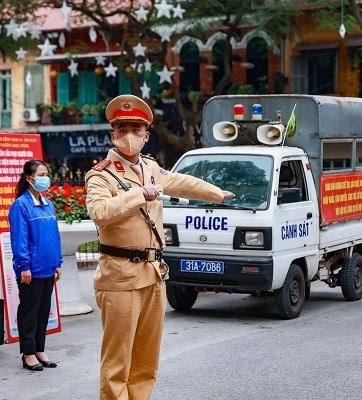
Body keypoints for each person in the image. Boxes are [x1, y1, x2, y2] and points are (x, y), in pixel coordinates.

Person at [85, 95, 234, 399]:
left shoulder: (152, 167)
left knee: (146, 358)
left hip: (153, 274)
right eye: (122, 128)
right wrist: (140, 194)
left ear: (146, 135)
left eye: (135, 128)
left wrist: (216, 193)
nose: (129, 135)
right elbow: (100, 213)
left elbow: (181, 182)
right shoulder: (101, 174)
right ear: (112, 134)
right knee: (118, 360)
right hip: (120, 276)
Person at [9, 159, 62, 372]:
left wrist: (57, 263)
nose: (44, 178)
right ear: (29, 178)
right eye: (41, 174)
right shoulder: (21, 205)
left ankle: (40, 349)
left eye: (46, 174)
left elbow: (54, 237)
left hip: (48, 268)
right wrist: (23, 266)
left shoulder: (48, 204)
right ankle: (28, 353)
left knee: (43, 312)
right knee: (29, 312)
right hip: (31, 270)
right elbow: (19, 239)